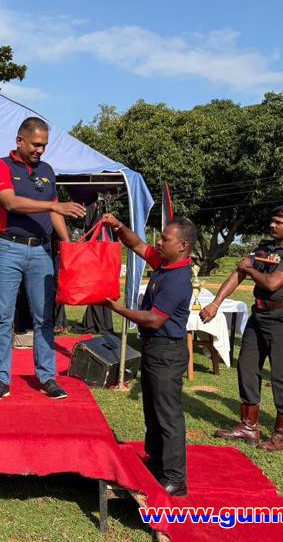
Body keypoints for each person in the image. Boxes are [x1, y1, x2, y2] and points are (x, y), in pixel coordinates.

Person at [0, 117, 86, 401]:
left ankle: (47, 377)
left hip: (42, 251)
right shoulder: (0, 166)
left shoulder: (47, 170)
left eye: (44, 145)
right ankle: (1, 379)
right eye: (36, 144)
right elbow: (10, 202)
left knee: (44, 318)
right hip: (8, 247)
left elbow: (54, 212)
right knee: (4, 317)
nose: (40, 150)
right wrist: (55, 205)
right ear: (20, 141)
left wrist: (67, 244)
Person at [201, 205, 283, 451]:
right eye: (272, 221)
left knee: (281, 376)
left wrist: (249, 268)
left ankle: (282, 435)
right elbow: (238, 274)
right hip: (259, 315)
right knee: (247, 367)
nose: (272, 225)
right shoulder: (264, 247)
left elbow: (272, 283)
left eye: (279, 223)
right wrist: (216, 303)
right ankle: (249, 426)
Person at [102, 213, 196, 497]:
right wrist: (119, 226)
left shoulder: (178, 278)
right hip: (155, 349)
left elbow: (154, 319)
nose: (159, 242)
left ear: (182, 246)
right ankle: (156, 462)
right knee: (152, 410)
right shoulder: (165, 263)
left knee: (168, 415)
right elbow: (137, 245)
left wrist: (119, 310)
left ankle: (176, 478)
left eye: (165, 239)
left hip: (167, 350)